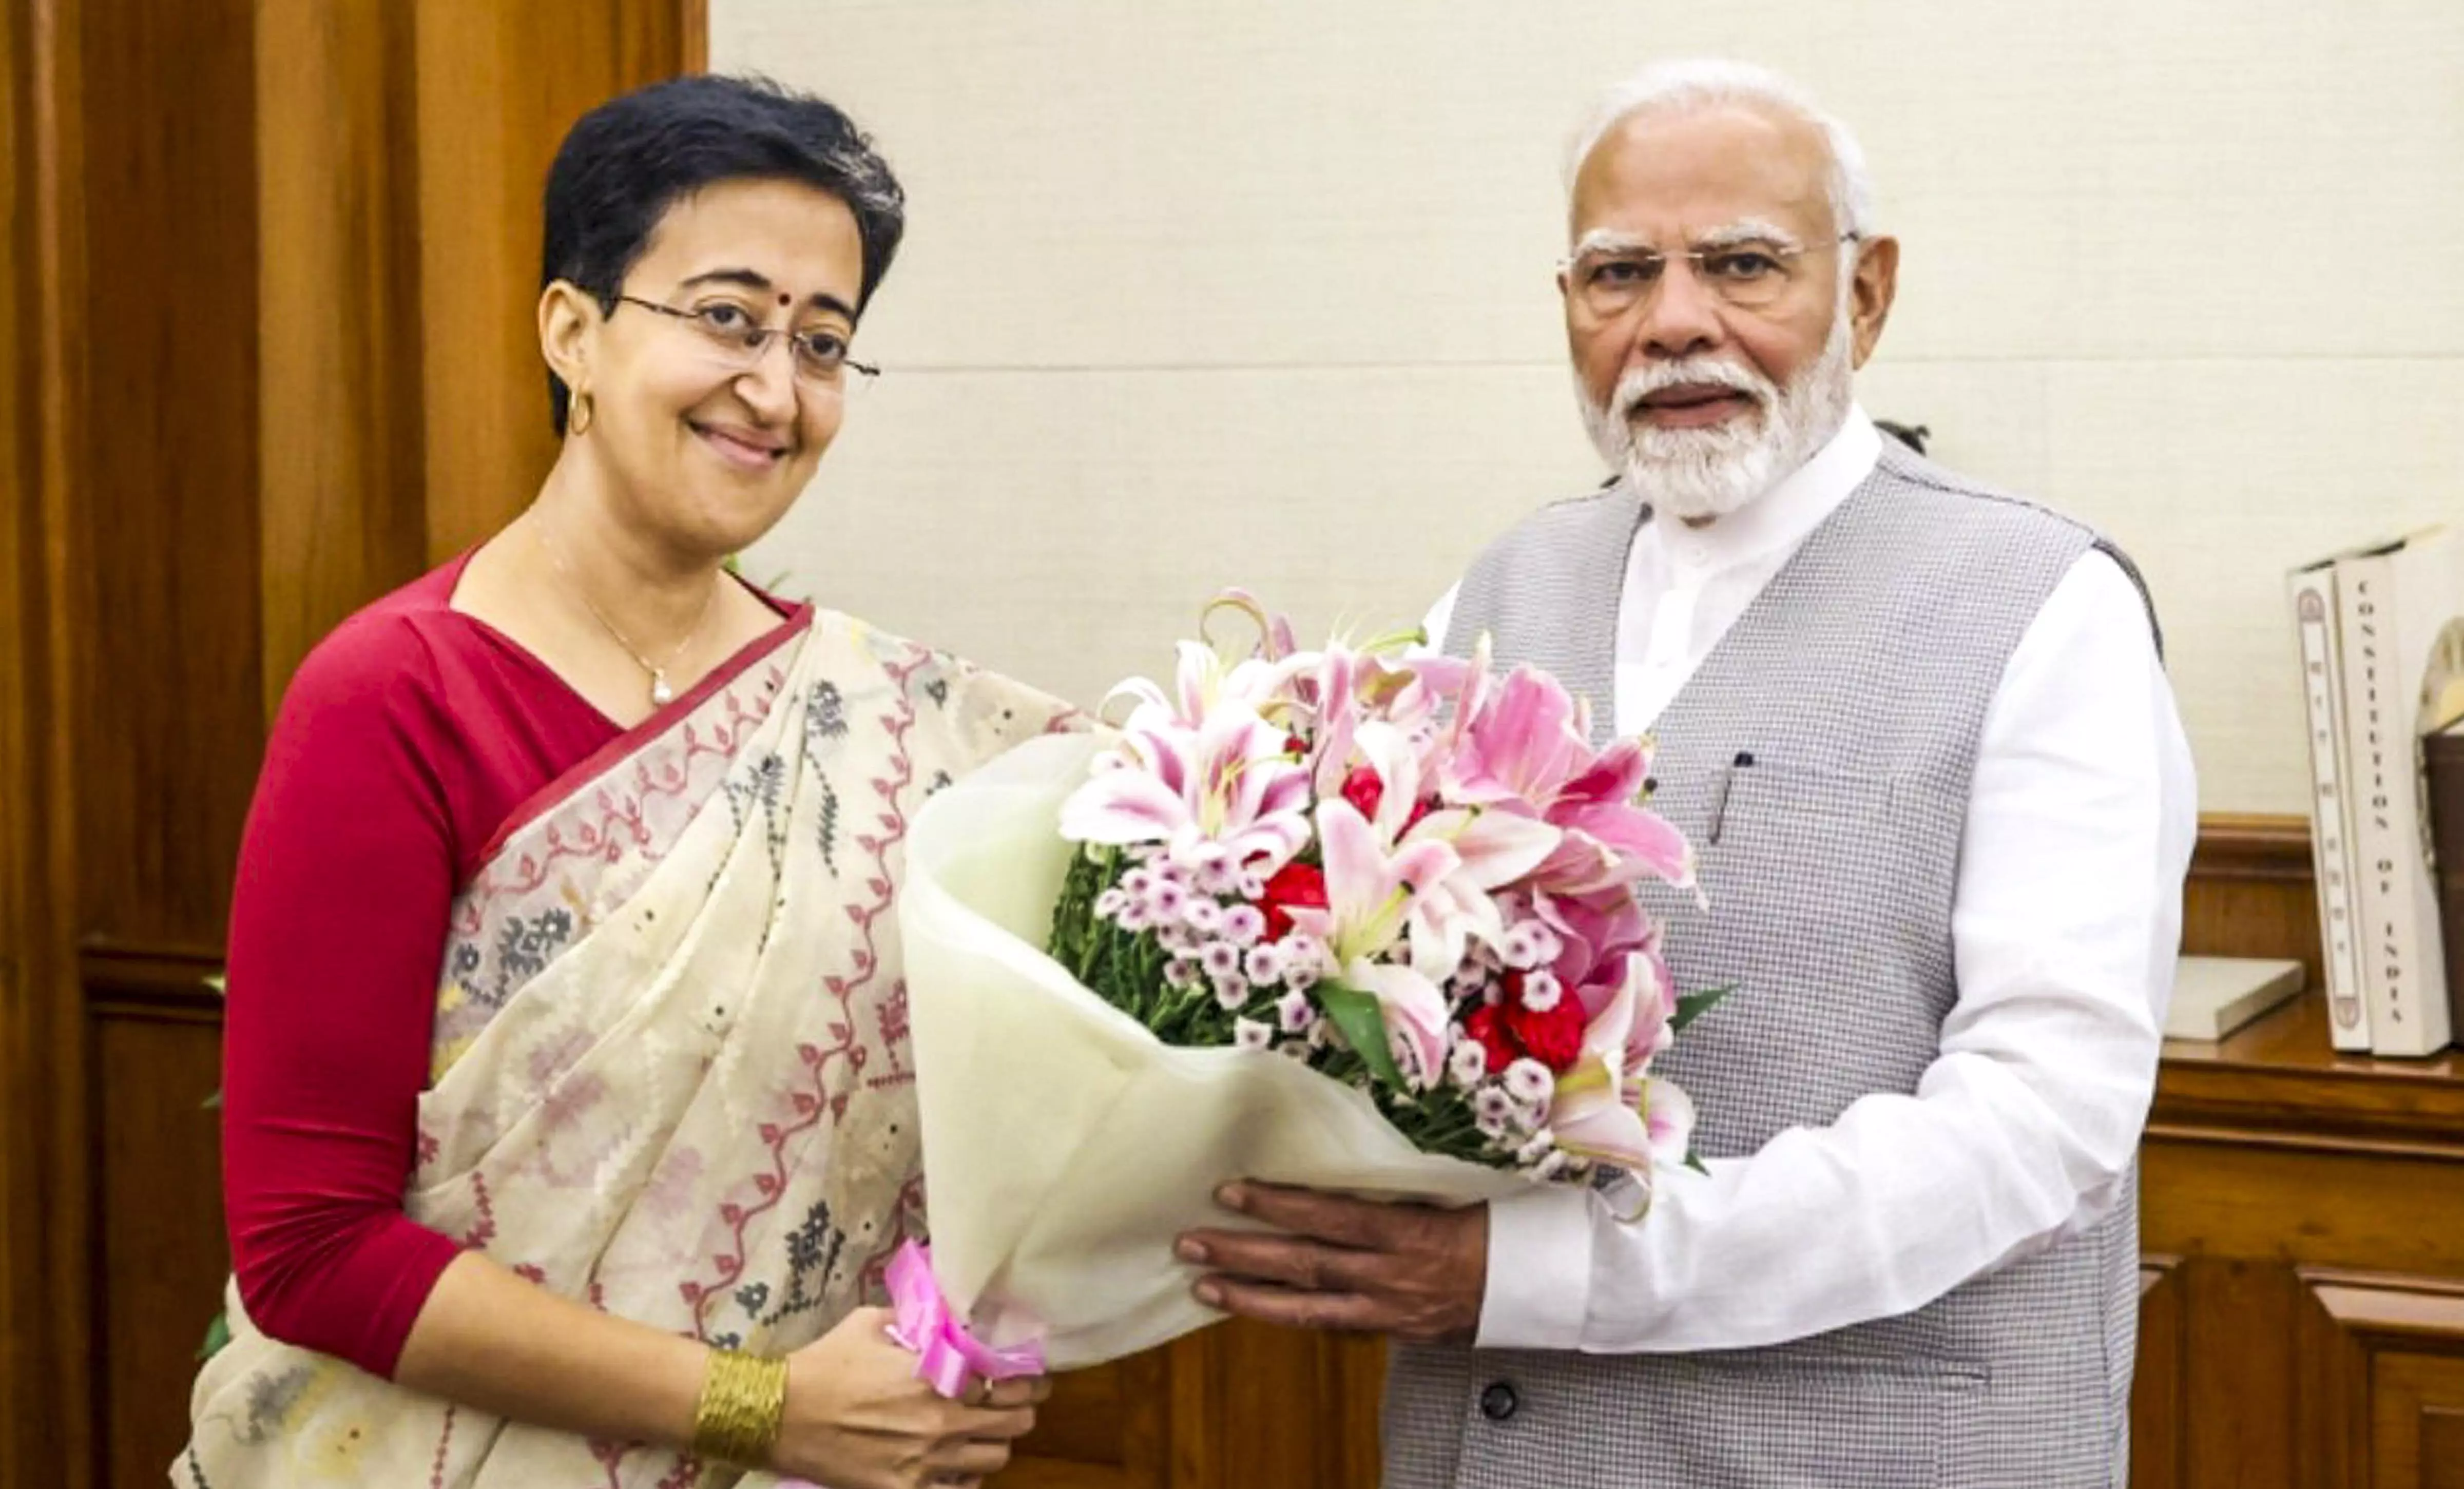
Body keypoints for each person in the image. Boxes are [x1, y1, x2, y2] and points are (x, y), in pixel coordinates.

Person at [1175, 59, 2196, 1487]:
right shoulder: (1498, 590)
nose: (1672, 323)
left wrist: (1543, 1269)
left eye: (1741, 265)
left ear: (1869, 292)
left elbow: (2046, 1126)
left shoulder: (2044, 604)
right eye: (1617, 275)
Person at [185, 74, 1066, 1488]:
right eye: (727, 316)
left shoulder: (872, 719)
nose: (776, 389)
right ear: (574, 331)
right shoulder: (396, 697)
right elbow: (311, 1249)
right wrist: (757, 1407)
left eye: (824, 342)